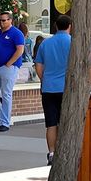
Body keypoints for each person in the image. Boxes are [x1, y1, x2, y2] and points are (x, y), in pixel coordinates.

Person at [34, 14, 72, 165]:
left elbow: (38, 66)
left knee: (51, 123)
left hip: (49, 88)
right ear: (70, 26)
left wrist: (44, 80)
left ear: (56, 26)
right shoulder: (73, 43)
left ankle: (52, 152)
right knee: (66, 122)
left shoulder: (45, 43)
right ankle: (66, 152)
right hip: (67, 89)